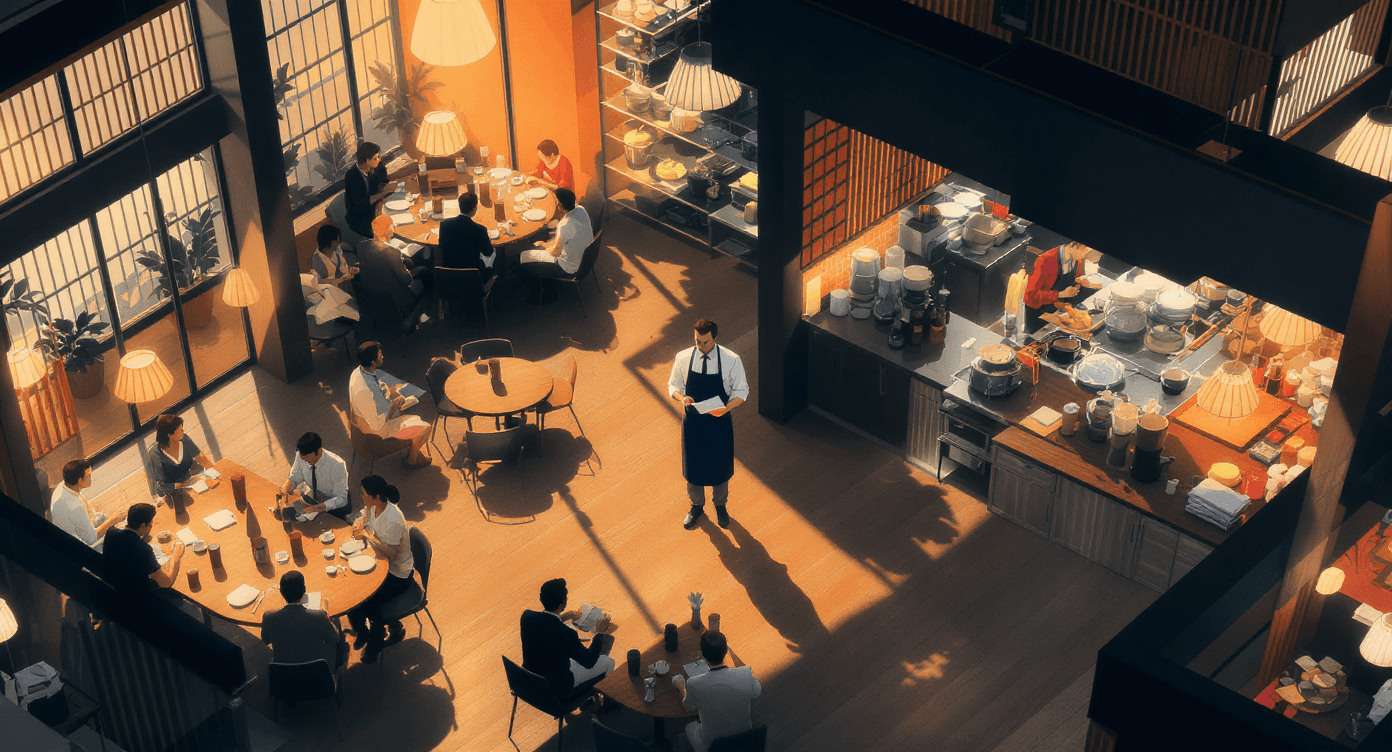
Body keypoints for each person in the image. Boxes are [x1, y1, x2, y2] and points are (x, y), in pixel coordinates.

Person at [668, 319, 749, 530]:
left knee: (720, 466)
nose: (700, 346)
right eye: (697, 341)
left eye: (705, 342)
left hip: (718, 422)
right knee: (693, 466)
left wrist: (726, 408)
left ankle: (720, 505)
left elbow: (742, 391)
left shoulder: (731, 360)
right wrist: (682, 398)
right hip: (693, 422)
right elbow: (673, 385)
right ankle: (696, 506)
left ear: (715, 338)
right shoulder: (683, 357)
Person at [346, 475, 415, 663]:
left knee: (368, 605)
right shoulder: (373, 507)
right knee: (354, 596)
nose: (362, 498)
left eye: (364, 495)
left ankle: (376, 643)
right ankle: (364, 632)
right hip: (381, 565)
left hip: (397, 573)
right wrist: (359, 522)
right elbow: (364, 515)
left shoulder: (393, 519)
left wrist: (370, 536)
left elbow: (392, 554)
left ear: (376, 497)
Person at [519, 578, 615, 697]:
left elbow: (545, 627)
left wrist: (563, 617)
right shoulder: (566, 634)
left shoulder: (527, 617)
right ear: (562, 603)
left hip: (531, 680)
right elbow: (589, 661)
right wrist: (599, 632)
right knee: (608, 662)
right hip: (559, 687)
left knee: (567, 656)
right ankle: (604, 701)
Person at [671, 631, 761, 752]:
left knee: (689, 726)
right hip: (745, 739)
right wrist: (732, 652)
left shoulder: (694, 683)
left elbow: (688, 707)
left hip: (712, 746)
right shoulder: (745, 674)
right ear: (725, 651)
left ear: (703, 654)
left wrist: (681, 685)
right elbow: (756, 692)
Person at [349, 341, 431, 468]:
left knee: (406, 402)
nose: (382, 356)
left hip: (365, 421)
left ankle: (409, 444)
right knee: (425, 428)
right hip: (377, 433)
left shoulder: (357, 372)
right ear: (373, 362)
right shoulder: (365, 391)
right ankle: (412, 460)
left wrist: (390, 396)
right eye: (379, 354)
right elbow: (376, 424)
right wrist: (392, 408)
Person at [515, 187, 593, 305]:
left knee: (520, 259)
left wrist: (543, 244)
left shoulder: (565, 225)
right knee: (539, 244)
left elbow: (554, 253)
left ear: (560, 205)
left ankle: (541, 292)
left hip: (568, 268)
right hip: (585, 260)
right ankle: (546, 284)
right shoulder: (581, 210)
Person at [262, 571, 347, 668]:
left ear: (281, 592)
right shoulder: (319, 617)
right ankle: (339, 666)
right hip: (315, 669)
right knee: (336, 622)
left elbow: (266, 640)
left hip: (284, 670)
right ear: (304, 590)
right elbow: (334, 639)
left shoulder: (268, 617)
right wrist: (328, 619)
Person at [357, 214, 427, 333]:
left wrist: (400, 261)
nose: (393, 230)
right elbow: (407, 280)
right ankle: (410, 320)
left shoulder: (361, 246)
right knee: (422, 278)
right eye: (391, 227)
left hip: (371, 295)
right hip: (394, 299)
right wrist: (403, 264)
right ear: (386, 231)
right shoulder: (392, 253)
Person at [102, 502, 185, 592]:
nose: (151, 526)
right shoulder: (143, 550)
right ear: (142, 525)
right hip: (135, 594)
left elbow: (125, 546)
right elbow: (166, 582)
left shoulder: (111, 532)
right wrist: (177, 555)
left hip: (111, 584)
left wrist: (141, 539)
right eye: (150, 524)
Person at [50, 458, 127, 552]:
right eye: (88, 476)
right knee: (120, 542)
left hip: (70, 529)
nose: (91, 478)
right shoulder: (75, 506)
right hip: (77, 547)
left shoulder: (63, 485)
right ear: (80, 481)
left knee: (103, 517)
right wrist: (114, 519)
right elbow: (91, 539)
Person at [1023, 240, 1100, 333]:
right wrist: (1061, 294)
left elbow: (1078, 277)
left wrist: (1079, 283)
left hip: (1061, 308)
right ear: (1072, 244)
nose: (1085, 255)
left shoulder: (1078, 258)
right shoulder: (1045, 260)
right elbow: (1031, 294)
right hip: (1039, 311)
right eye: (1085, 251)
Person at [280, 432, 351, 520]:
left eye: (307, 456)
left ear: (319, 450)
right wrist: (286, 489)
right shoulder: (301, 456)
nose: (304, 460)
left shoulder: (337, 465)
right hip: (312, 497)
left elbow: (341, 499)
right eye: (302, 457)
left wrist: (317, 508)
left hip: (332, 504)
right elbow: (295, 476)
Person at [148, 414, 217, 501]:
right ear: (170, 435)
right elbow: (160, 486)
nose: (183, 431)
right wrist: (184, 484)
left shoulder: (185, 440)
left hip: (196, 486)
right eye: (180, 430)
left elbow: (201, 458)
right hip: (175, 495)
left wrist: (213, 473)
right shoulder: (155, 454)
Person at [437, 192, 499, 281]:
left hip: (449, 275)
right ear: (473, 210)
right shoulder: (479, 230)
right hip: (473, 276)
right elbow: (488, 252)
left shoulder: (445, 225)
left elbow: (441, 245)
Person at [344, 141, 392, 239]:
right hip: (360, 220)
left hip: (374, 210)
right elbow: (363, 203)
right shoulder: (352, 176)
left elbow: (384, 181)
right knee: (388, 230)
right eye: (375, 158)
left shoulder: (373, 168)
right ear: (366, 161)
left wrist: (385, 187)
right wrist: (383, 193)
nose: (378, 160)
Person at [311, 224, 358, 290]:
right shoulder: (317, 259)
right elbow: (319, 282)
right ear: (330, 242)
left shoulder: (336, 253)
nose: (339, 243)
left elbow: (344, 269)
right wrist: (340, 280)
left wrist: (351, 270)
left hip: (343, 286)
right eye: (337, 241)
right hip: (330, 291)